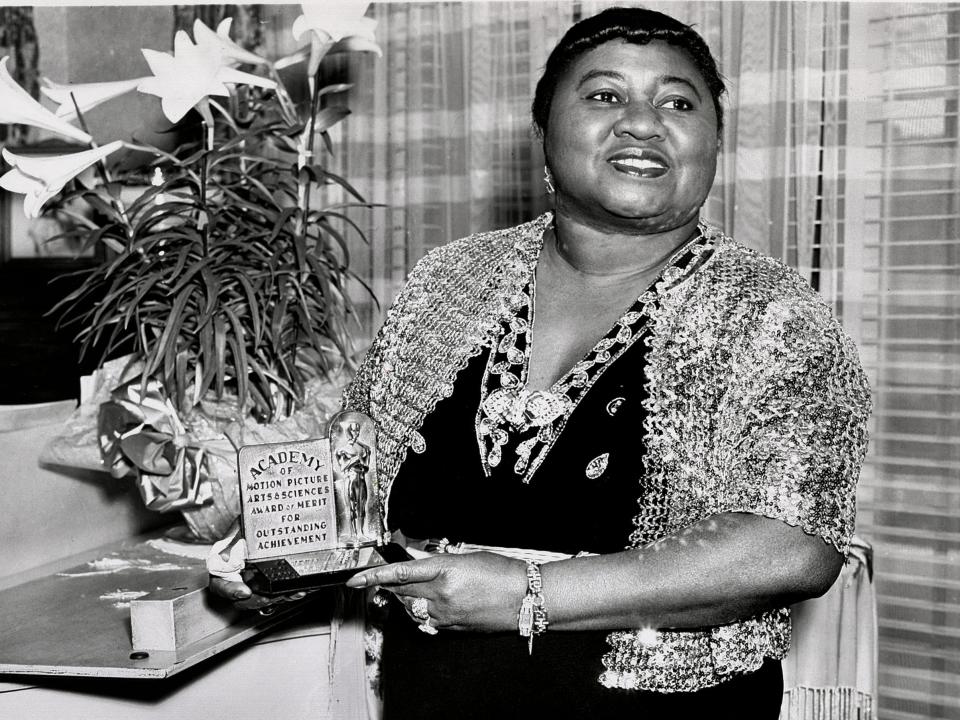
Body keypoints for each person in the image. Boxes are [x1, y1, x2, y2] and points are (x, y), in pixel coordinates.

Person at [211, 7, 871, 719]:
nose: (643, 123)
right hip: (432, 696)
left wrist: (528, 594)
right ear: (543, 135)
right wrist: (286, 556)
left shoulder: (769, 311)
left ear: (712, 142)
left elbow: (794, 546)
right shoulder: (451, 280)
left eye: (678, 102)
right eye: (604, 95)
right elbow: (362, 461)